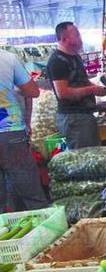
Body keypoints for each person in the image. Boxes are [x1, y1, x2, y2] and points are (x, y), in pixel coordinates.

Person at [0, 49, 49, 211]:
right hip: (10, 132)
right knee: (31, 193)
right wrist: (14, 88)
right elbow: (33, 91)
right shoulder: (7, 58)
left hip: (10, 132)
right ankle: (43, 233)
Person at [47, 22, 106, 149]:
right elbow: (63, 93)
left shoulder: (75, 57)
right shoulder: (57, 61)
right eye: (76, 34)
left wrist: (98, 93)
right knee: (84, 159)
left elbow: (82, 82)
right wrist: (91, 89)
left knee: (94, 155)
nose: (80, 38)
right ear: (64, 39)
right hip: (73, 119)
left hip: (85, 116)